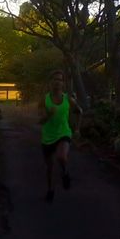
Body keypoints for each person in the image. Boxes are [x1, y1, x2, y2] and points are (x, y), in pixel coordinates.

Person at [38, 69, 83, 203]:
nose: (57, 82)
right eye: (55, 79)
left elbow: (79, 112)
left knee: (61, 156)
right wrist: (48, 115)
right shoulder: (44, 100)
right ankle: (50, 190)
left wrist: (77, 129)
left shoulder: (68, 99)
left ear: (63, 83)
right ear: (50, 82)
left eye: (60, 80)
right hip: (47, 136)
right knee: (49, 168)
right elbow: (40, 121)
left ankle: (65, 173)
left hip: (64, 132)